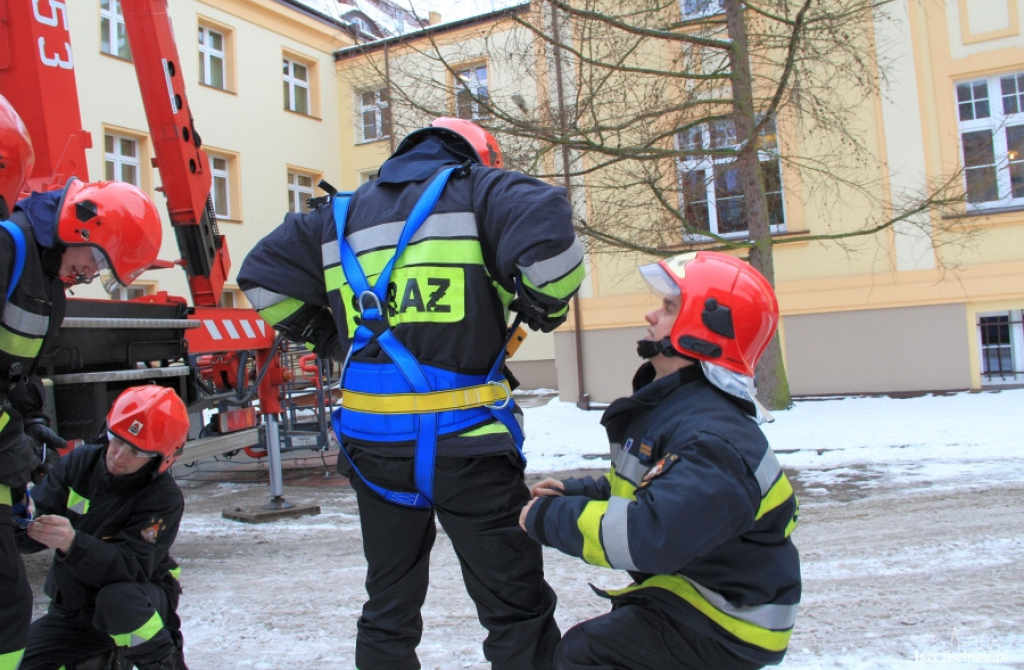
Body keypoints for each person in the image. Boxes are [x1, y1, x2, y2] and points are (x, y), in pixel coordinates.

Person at [238, 117, 585, 669]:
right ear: (474, 157)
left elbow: (259, 277)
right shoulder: (480, 189)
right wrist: (544, 301)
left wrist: (330, 337)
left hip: (375, 451)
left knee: (389, 606)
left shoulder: (336, 215)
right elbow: (549, 227)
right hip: (468, 445)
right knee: (514, 608)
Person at [520, 251, 802, 670]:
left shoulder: (711, 439)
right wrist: (574, 492)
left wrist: (548, 518)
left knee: (586, 654)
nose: (651, 316)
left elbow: (651, 535)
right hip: (701, 595)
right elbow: (652, 490)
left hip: (732, 620)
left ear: (706, 331)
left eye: (669, 308)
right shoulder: (680, 408)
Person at [1, 92, 164, 670]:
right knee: (7, 607)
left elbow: (13, 367)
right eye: (96, 260)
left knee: (9, 604)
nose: (90, 273)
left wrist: (28, 418)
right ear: (81, 224)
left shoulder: (43, 276)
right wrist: (8, 438)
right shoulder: (10, 248)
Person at [18, 385, 191, 670]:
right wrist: (18, 510)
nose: (118, 455)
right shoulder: (80, 463)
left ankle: (164, 663)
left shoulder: (163, 498)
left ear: (161, 458)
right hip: (74, 609)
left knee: (118, 600)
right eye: (117, 440)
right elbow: (29, 531)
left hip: (137, 603)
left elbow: (131, 566)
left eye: (135, 450)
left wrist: (72, 543)